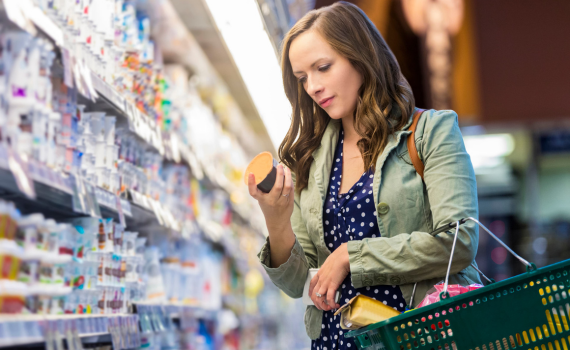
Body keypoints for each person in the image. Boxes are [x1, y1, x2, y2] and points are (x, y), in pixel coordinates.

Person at [246, 2, 481, 348]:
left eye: (323, 68)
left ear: (360, 57)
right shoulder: (310, 158)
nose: (312, 86)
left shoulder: (431, 132)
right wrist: (276, 221)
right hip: (336, 339)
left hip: (419, 336)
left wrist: (349, 256)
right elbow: (299, 283)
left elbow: (459, 242)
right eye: (302, 78)